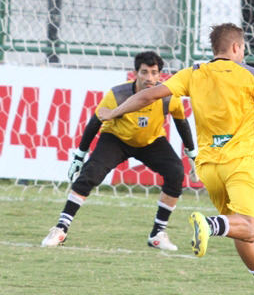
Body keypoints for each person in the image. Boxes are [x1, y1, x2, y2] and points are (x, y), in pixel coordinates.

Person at [97, 23, 254, 295]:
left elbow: (148, 96)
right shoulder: (249, 74)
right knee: (251, 227)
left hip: (210, 168)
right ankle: (209, 225)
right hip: (241, 162)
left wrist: (114, 111)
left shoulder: (193, 73)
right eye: (243, 48)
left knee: (238, 228)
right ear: (236, 47)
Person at [42, 51, 197, 251]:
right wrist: (79, 155)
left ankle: (157, 233)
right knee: (90, 174)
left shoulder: (168, 97)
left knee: (176, 173)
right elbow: (95, 122)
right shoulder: (117, 95)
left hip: (151, 141)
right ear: (135, 73)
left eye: (153, 73)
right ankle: (61, 229)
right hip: (116, 139)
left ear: (160, 75)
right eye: (144, 72)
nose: (149, 78)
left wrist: (192, 154)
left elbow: (181, 123)